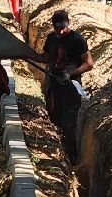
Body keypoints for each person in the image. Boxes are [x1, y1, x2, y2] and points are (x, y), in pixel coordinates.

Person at [39, 9, 93, 161]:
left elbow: (89, 63)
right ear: (54, 27)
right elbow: (45, 57)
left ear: (68, 24)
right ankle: (58, 156)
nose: (61, 31)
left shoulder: (77, 40)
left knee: (69, 124)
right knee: (54, 119)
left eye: (64, 27)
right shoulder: (51, 38)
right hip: (54, 87)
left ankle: (72, 158)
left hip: (71, 88)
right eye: (58, 28)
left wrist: (71, 74)